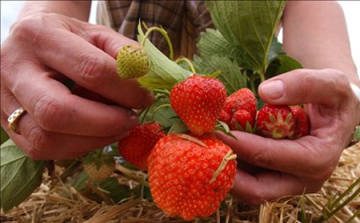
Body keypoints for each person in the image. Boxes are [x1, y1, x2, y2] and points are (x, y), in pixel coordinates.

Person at [1, 1, 360, 206]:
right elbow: (50, 11)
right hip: (126, 112)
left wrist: (347, 96)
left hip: (224, 123)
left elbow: (325, 46)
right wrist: (34, 32)